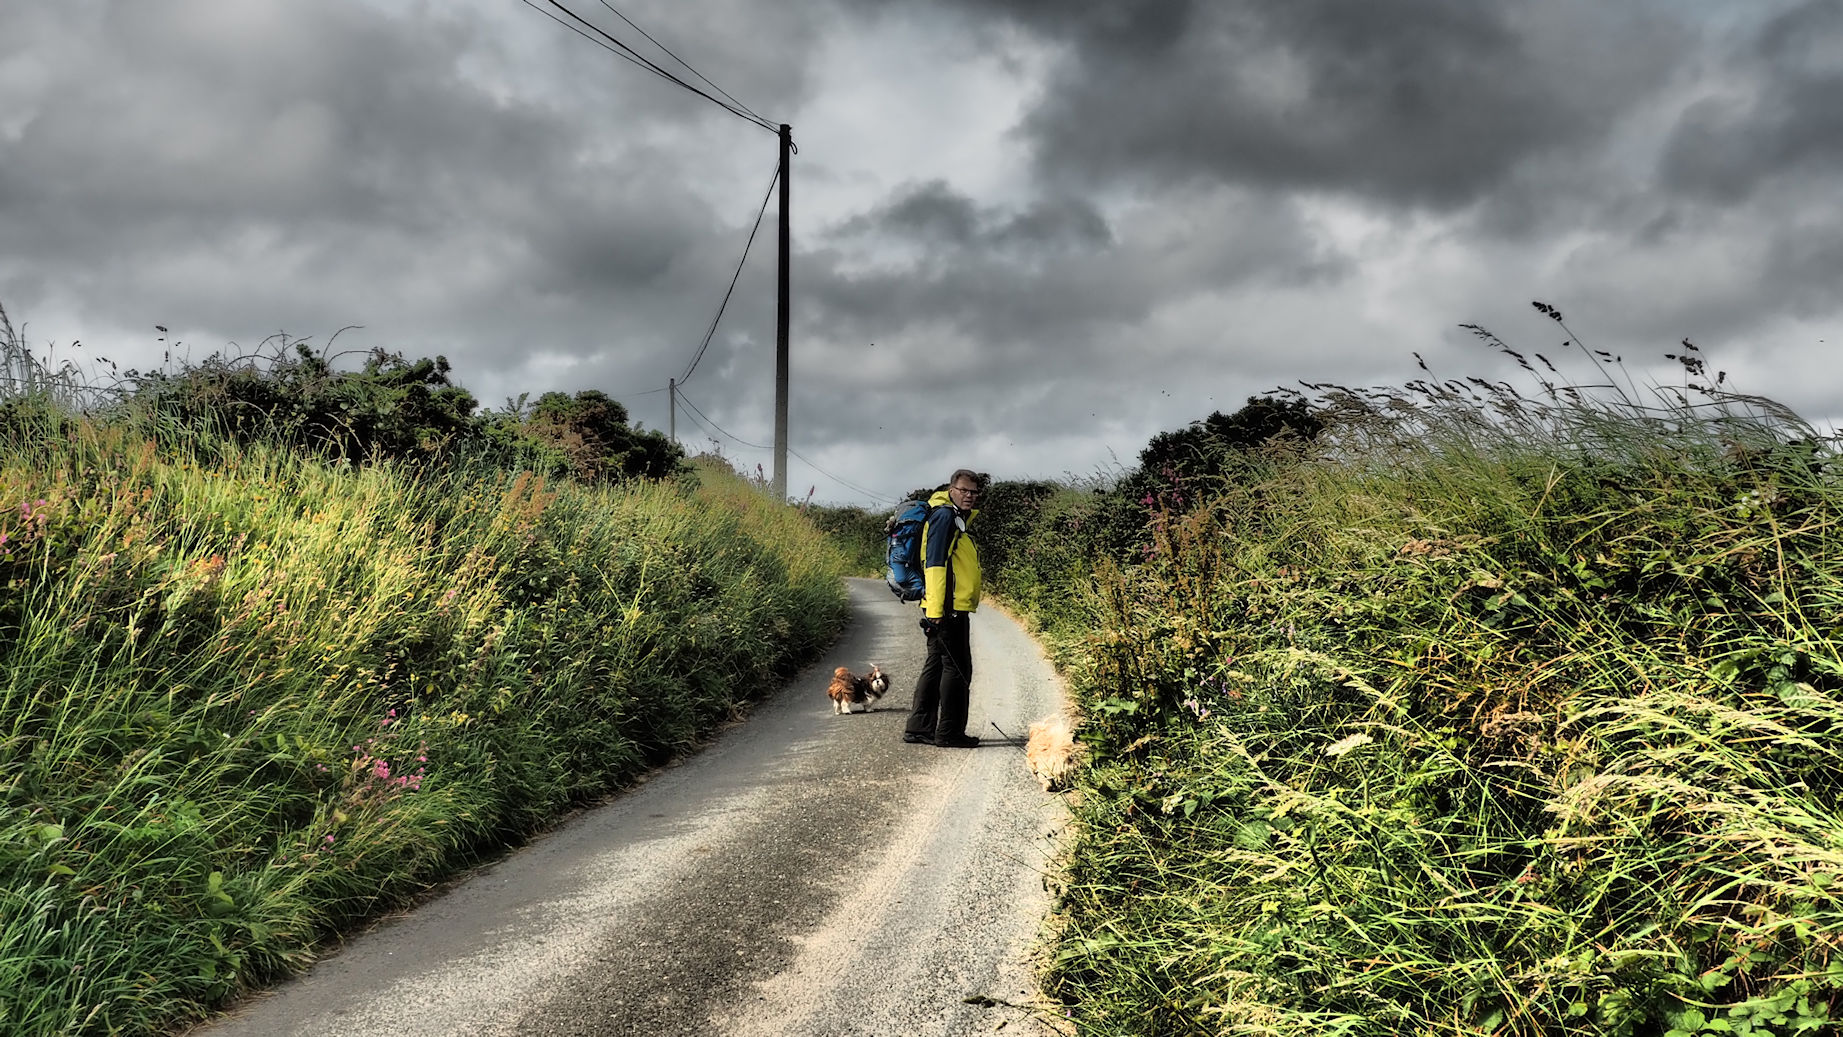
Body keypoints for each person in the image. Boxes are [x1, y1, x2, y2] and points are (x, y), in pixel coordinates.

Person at [902, 469, 985, 748]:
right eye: (964, 490)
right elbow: (936, 564)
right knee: (958, 669)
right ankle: (949, 732)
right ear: (951, 489)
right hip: (948, 608)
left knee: (937, 665)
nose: (969, 496)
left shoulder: (951, 516)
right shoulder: (945, 516)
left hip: (944, 606)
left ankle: (919, 728)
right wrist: (936, 611)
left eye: (974, 492)